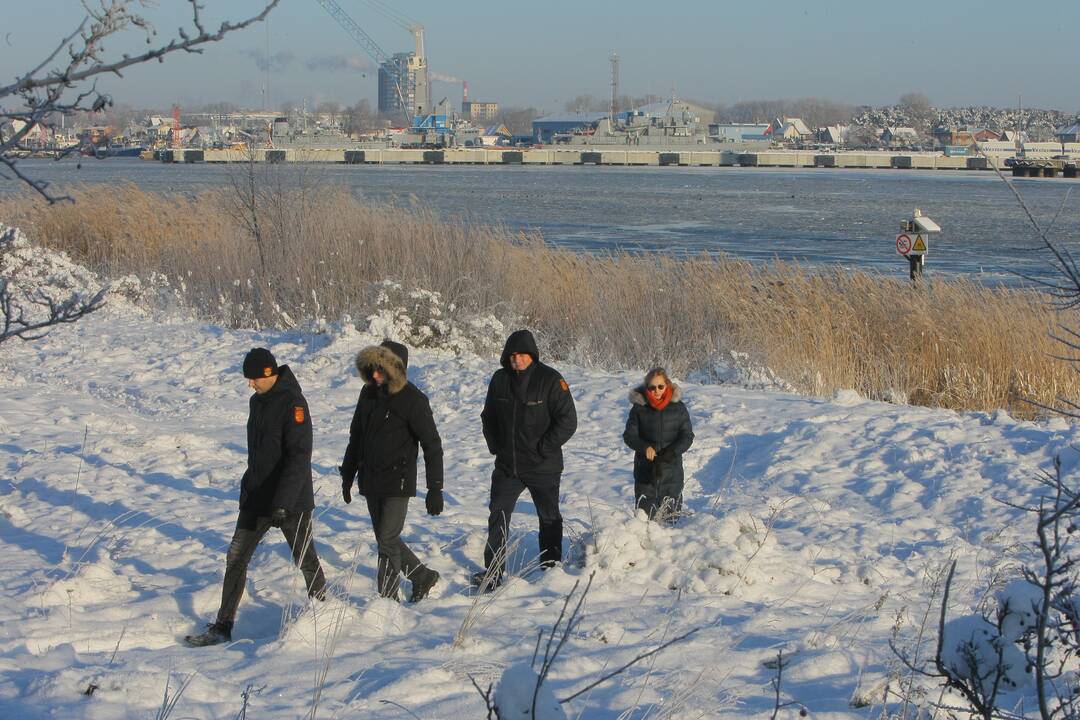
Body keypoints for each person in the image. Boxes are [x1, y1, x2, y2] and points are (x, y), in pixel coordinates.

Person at [186, 348, 327, 647]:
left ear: (268, 374)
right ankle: (222, 627)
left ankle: (324, 613)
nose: (250, 385)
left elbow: (299, 457)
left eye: (253, 379)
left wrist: (283, 502)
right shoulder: (257, 402)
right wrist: (249, 488)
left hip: (290, 500)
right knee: (236, 557)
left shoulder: (293, 403)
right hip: (257, 498)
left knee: (305, 558)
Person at [339, 340, 443, 602]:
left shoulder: (414, 400)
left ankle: (386, 601)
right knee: (387, 538)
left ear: (396, 369)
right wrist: (348, 474)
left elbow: (432, 445)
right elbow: (357, 436)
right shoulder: (368, 394)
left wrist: (435, 488)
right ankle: (422, 576)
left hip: (398, 480)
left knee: (386, 540)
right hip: (371, 478)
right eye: (373, 368)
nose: (375, 375)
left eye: (381, 369)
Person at [475, 329, 577, 590]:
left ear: (532, 355)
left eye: (521, 355)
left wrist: (544, 447)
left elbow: (568, 421)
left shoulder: (551, 380)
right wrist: (495, 446)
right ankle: (493, 573)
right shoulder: (499, 380)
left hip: (543, 465)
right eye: (512, 355)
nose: (516, 359)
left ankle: (551, 569)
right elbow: (488, 416)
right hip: (508, 467)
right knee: (498, 513)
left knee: (549, 517)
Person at [622, 367, 694, 522]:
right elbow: (629, 435)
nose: (656, 391)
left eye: (660, 386)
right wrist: (644, 447)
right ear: (647, 388)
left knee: (671, 525)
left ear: (667, 385)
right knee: (645, 523)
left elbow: (687, 436)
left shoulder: (678, 408)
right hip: (646, 473)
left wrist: (672, 452)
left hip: (672, 472)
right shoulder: (639, 408)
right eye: (652, 387)